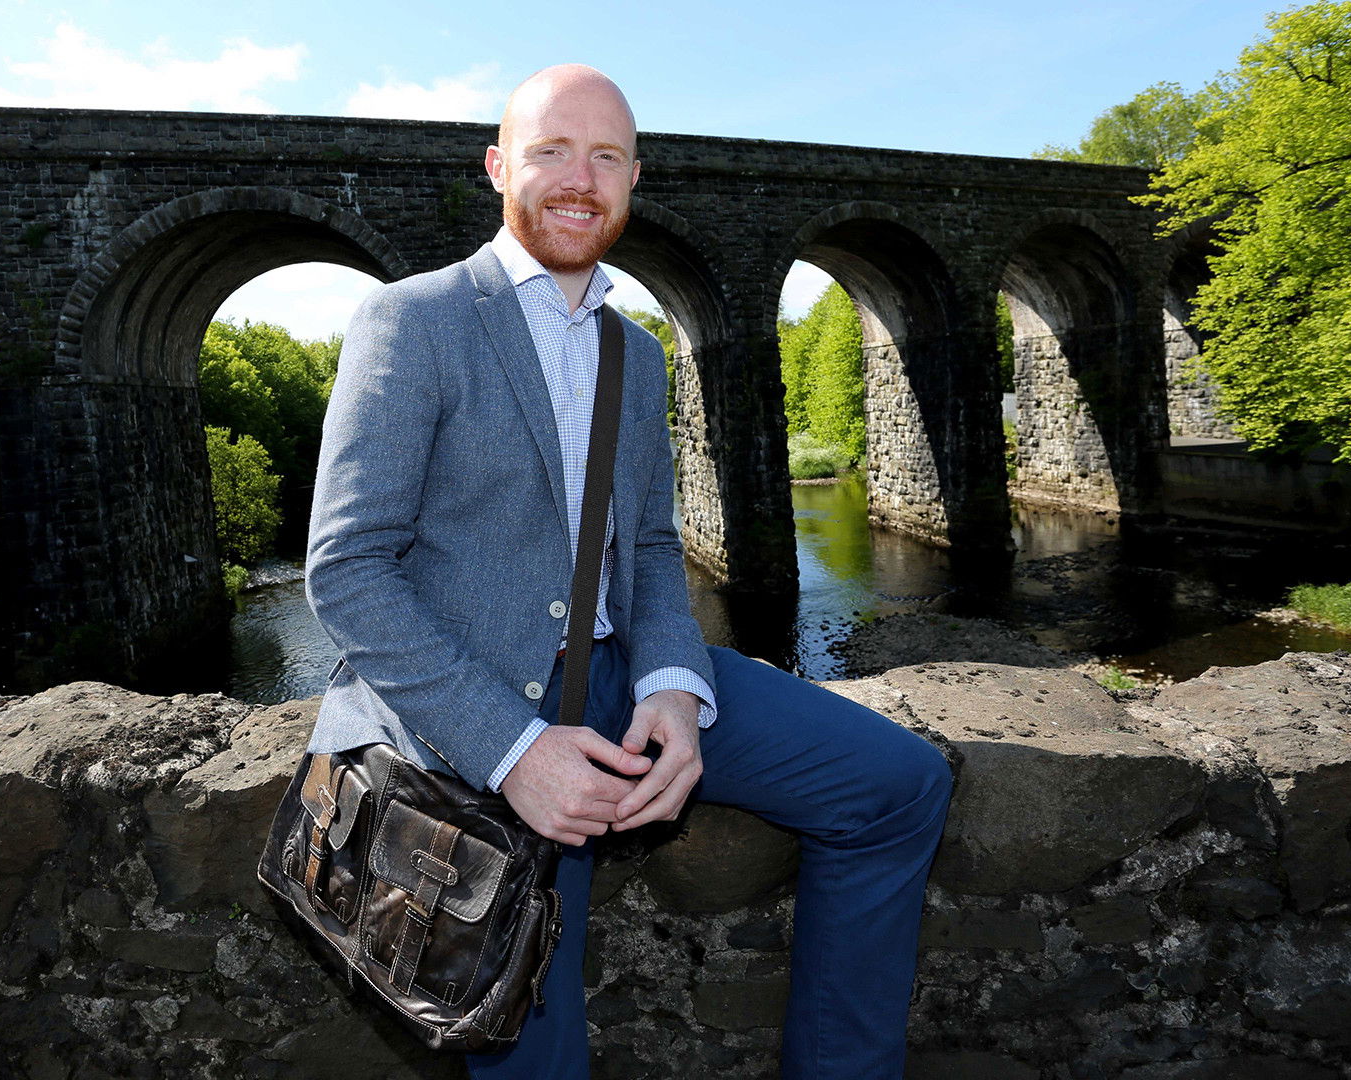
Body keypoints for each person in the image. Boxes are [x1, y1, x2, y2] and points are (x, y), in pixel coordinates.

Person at [303, 63, 953, 1080]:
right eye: (552, 151)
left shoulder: (635, 353)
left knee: (897, 787)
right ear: (498, 167)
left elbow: (647, 546)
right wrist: (513, 751)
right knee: (527, 1017)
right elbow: (346, 569)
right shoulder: (414, 320)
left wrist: (674, 686)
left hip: (612, 678)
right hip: (468, 716)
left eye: (606, 156)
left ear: (634, 179)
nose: (580, 178)